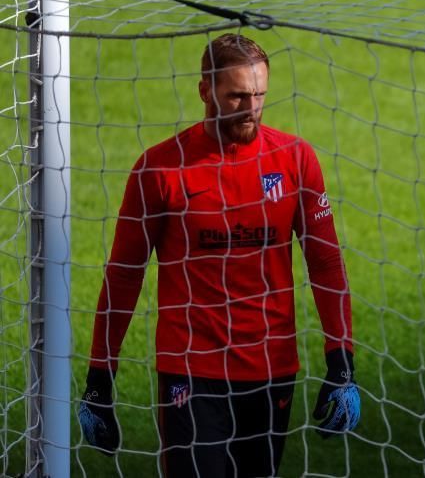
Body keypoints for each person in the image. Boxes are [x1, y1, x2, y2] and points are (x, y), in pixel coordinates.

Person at [78, 33, 360, 477]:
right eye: (237, 96)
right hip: (191, 373)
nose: (251, 107)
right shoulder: (159, 169)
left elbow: (325, 263)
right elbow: (123, 276)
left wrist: (341, 361)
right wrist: (100, 378)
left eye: (260, 94)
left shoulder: (296, 159)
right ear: (205, 90)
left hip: (272, 369)